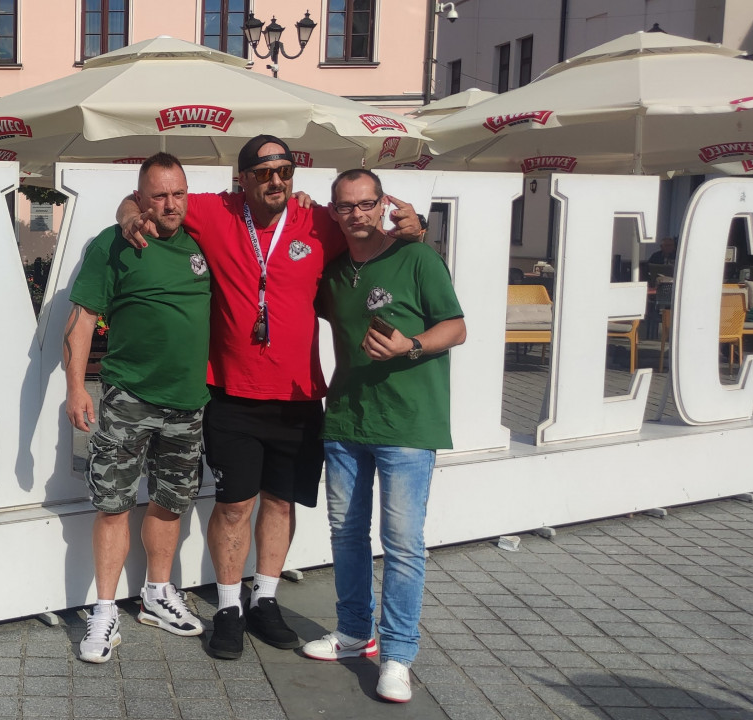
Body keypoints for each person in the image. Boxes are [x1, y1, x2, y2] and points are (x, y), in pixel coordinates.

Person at [117, 137, 422, 660]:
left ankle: (265, 600)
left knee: (281, 501)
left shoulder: (320, 220)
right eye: (263, 173)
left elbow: (373, 231)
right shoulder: (215, 211)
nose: (276, 180)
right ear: (242, 179)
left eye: (285, 169)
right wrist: (128, 214)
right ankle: (229, 608)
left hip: (298, 396)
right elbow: (143, 200)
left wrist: (417, 226)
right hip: (231, 393)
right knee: (235, 506)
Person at [301, 169, 466, 704]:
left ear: (382, 204)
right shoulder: (334, 273)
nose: (357, 214)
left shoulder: (417, 258)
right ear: (334, 212)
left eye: (366, 204)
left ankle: (397, 655)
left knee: (402, 544)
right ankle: (355, 633)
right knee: (346, 535)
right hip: (346, 420)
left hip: (408, 424)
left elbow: (456, 327)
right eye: (346, 206)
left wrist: (409, 346)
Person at [65, 152, 212, 664]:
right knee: (113, 505)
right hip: (128, 397)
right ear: (139, 198)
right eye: (158, 196)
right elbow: (82, 320)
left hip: (188, 403)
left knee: (172, 500)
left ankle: (156, 594)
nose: (171, 205)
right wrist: (76, 388)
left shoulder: (203, 240)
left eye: (178, 194)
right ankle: (104, 610)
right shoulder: (114, 243)